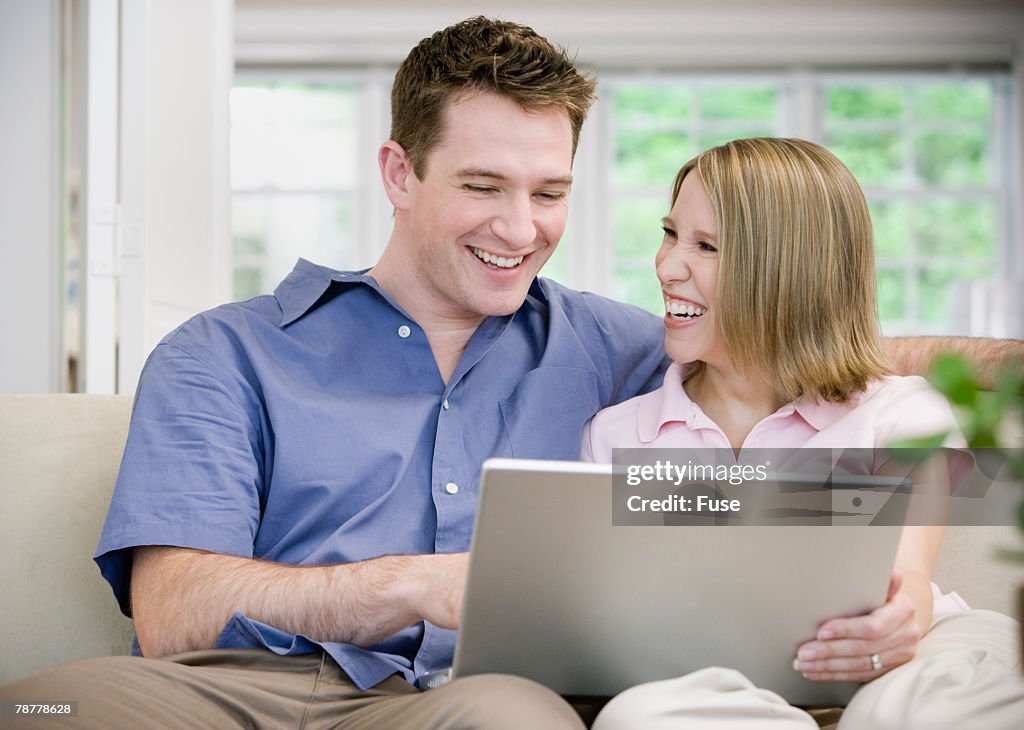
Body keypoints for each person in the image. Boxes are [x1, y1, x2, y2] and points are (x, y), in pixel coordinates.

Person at [1, 17, 1017, 730]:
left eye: (548, 191)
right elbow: (171, 612)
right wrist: (404, 586)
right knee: (40, 704)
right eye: (483, 185)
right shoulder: (226, 352)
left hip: (461, 700)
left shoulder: (620, 349)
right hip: (227, 687)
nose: (521, 229)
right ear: (400, 174)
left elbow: (814, 351)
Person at [581, 138, 1024, 730]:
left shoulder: (903, 412)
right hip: (724, 678)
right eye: (670, 234)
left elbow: (907, 579)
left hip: (919, 654)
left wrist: (900, 621)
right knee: (640, 715)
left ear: (789, 272)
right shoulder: (614, 437)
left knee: (900, 712)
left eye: (706, 246)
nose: (666, 266)